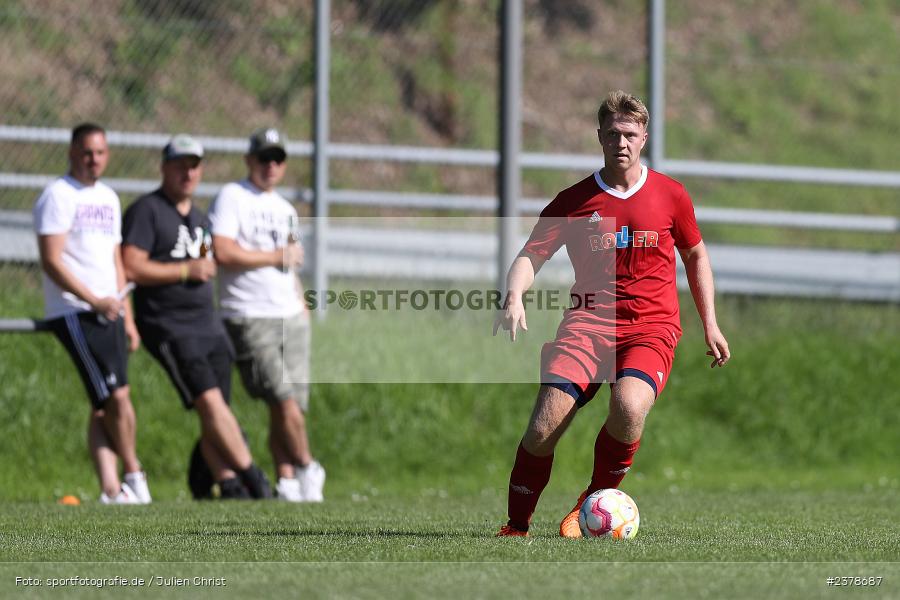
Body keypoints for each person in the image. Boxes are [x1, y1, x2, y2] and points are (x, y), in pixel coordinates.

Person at [493, 91, 731, 537]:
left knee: (628, 406)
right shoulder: (573, 201)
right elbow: (530, 255)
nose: (621, 142)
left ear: (644, 138)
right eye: (613, 134)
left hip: (651, 329)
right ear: (600, 137)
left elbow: (696, 255)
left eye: (630, 134)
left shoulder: (671, 195)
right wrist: (514, 294)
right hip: (586, 327)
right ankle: (516, 525)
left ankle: (592, 501)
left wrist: (710, 323)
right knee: (543, 427)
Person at [121, 134, 272, 499]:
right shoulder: (147, 211)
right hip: (171, 325)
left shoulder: (201, 220)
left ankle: (222, 483)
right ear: (164, 168)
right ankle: (255, 481)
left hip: (209, 324)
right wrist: (184, 272)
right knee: (209, 403)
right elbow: (131, 266)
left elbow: (206, 264)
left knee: (217, 411)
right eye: (179, 166)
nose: (187, 173)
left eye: (194, 166)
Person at [33, 122, 151, 504]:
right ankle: (133, 475)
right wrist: (93, 299)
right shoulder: (58, 196)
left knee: (108, 401)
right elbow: (52, 261)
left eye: (100, 152)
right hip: (75, 311)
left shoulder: (109, 198)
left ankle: (112, 490)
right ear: (71, 152)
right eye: (86, 152)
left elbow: (116, 261)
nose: (93, 159)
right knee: (114, 398)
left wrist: (127, 316)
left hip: (110, 311)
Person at [208, 127, 325, 502]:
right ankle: (308, 466)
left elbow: (291, 265)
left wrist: (302, 306)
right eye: (264, 158)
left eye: (278, 159)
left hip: (290, 315)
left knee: (289, 406)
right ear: (249, 160)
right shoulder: (232, 197)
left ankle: (287, 481)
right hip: (249, 314)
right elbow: (223, 251)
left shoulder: (286, 210)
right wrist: (276, 256)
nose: (271, 166)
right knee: (283, 399)